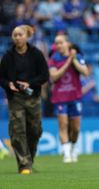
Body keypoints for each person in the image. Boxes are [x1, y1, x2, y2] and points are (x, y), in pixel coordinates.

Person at [0, 25, 49, 174]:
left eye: (20, 35)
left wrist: (30, 83)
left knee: (35, 131)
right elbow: (1, 77)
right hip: (15, 98)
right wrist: (8, 84)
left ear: (27, 36)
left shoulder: (36, 54)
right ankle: (24, 165)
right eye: (14, 35)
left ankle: (29, 159)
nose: (17, 37)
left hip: (33, 97)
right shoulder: (8, 56)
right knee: (17, 131)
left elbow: (44, 75)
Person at [48, 35, 89, 163]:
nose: (58, 45)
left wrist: (74, 59)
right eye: (56, 43)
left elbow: (85, 72)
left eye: (61, 43)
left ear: (68, 43)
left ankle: (73, 147)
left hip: (75, 97)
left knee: (75, 128)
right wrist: (68, 62)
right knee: (63, 124)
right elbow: (54, 77)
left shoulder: (77, 57)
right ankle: (66, 154)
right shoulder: (53, 59)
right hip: (60, 97)